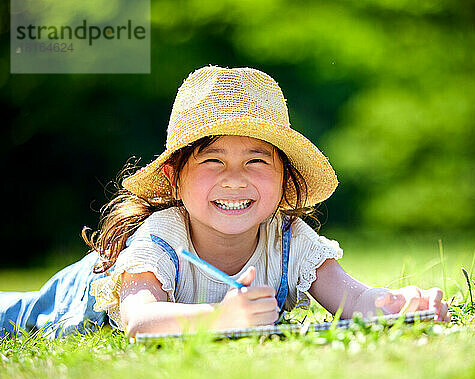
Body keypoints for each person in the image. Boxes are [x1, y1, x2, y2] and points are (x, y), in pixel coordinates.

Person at [0, 66, 450, 339]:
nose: (235, 179)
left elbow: (351, 296)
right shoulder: (161, 239)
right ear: (175, 180)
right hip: (82, 295)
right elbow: (140, 318)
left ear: (283, 179)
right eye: (212, 160)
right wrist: (219, 317)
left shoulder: (290, 241)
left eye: (257, 160)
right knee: (14, 313)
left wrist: (397, 305)